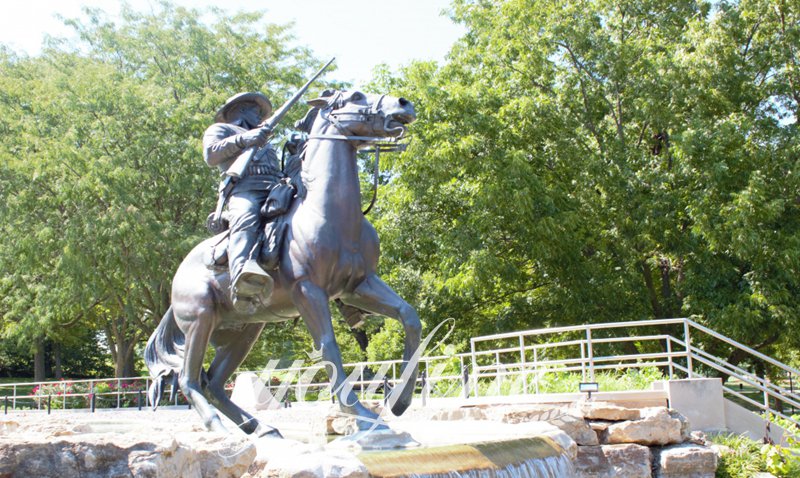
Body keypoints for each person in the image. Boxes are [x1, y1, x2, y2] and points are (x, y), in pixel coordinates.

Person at [203, 92, 280, 313]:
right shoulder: (220, 130)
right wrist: (245, 139)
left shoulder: (263, 137)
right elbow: (211, 155)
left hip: (277, 190)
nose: (260, 117)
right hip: (245, 190)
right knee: (246, 219)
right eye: (256, 111)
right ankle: (242, 282)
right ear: (241, 110)